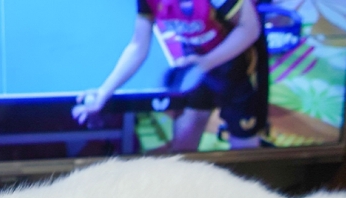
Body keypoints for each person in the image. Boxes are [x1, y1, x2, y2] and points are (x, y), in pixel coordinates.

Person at [72, 0, 265, 151]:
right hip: (195, 66)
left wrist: (206, 62)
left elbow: (250, 29)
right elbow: (138, 45)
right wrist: (104, 92)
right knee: (183, 148)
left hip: (239, 68)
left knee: (244, 155)